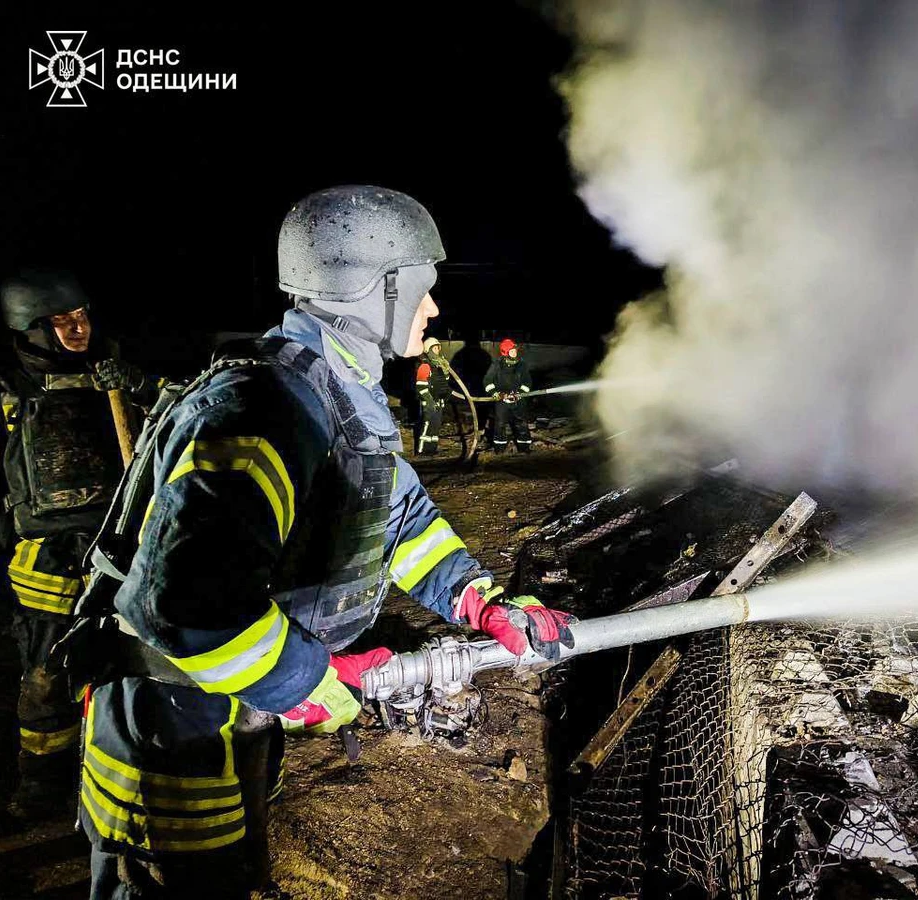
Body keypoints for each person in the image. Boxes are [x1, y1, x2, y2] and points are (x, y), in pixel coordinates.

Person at [66, 186, 576, 898]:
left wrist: (483, 604)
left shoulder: (339, 396)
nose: (433, 310)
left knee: (235, 872)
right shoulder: (265, 413)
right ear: (374, 290)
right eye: (423, 290)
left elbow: (401, 524)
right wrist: (307, 680)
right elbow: (184, 607)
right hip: (172, 716)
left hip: (232, 701)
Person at [0, 271, 158, 820]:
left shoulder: (112, 373)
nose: (78, 329)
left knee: (129, 661)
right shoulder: (9, 391)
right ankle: (42, 783)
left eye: (82, 316)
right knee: (47, 672)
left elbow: (173, 422)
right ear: (31, 329)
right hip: (46, 556)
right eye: (62, 322)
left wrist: (138, 387)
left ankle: (120, 772)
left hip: (120, 543)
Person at [484, 337, 533, 453]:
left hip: (518, 399)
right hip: (502, 400)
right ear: (505, 353)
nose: (515, 352)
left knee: (521, 423)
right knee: (499, 424)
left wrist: (520, 393)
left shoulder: (521, 365)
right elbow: (487, 382)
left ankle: (524, 447)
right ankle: (499, 448)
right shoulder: (497, 365)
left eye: (515, 350)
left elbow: (527, 382)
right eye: (512, 351)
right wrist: (496, 393)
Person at [414, 336, 452, 455]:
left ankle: (432, 449)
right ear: (428, 350)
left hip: (439, 401)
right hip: (429, 401)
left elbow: (443, 383)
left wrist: (446, 393)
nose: (437, 351)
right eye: (434, 348)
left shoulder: (441, 366)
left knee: (435, 426)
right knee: (427, 425)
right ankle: (421, 450)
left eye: (438, 348)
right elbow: (420, 386)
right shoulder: (425, 366)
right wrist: (429, 400)